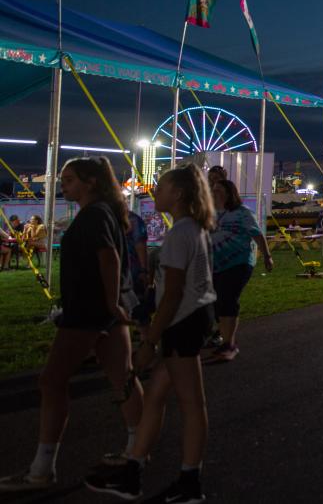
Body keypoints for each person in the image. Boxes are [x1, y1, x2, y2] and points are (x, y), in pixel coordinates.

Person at [0, 158, 141, 493]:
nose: (63, 184)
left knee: (51, 381)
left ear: (90, 182)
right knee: (123, 378)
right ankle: (138, 449)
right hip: (101, 310)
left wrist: (108, 302)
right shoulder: (106, 211)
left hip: (88, 311)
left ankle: (42, 468)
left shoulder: (94, 215)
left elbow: (109, 258)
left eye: (69, 179)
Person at [86, 164, 217, 502]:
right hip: (196, 318)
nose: (154, 191)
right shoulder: (195, 229)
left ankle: (190, 482)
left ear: (179, 194)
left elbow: (172, 294)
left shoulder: (179, 235)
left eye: (160, 187)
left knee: (192, 405)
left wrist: (150, 341)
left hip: (183, 322)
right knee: (156, 397)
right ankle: (133, 469)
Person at [204, 178, 273, 362]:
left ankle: (229, 344)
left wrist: (267, 256)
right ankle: (222, 340)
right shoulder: (210, 215)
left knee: (228, 299)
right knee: (217, 302)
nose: (215, 192)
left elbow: (257, 234)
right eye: (214, 189)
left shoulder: (242, 213)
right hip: (216, 264)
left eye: (219, 190)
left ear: (229, 193)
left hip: (239, 262)